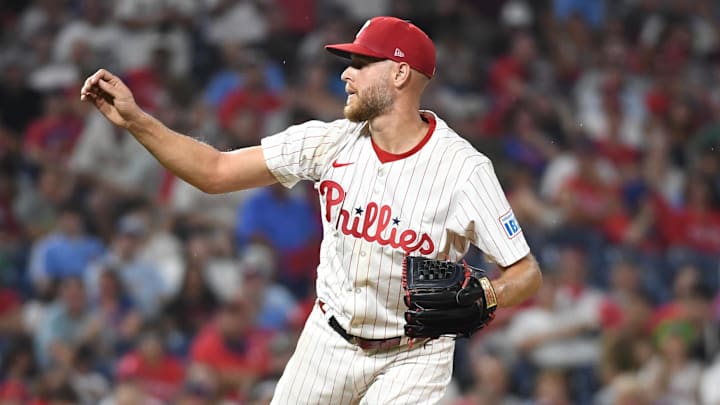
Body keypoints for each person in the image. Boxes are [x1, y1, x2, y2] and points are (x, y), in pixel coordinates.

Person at [80, 16, 542, 404]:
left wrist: (490, 295)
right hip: (329, 338)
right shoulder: (328, 141)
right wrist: (137, 121)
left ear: (399, 74)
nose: (346, 74)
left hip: (414, 356)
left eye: (361, 63)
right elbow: (215, 171)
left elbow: (526, 272)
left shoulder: (462, 170)